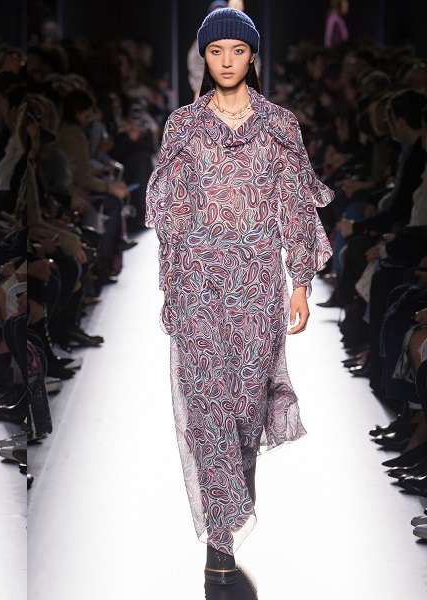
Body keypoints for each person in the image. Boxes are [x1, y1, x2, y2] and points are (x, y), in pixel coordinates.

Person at [145, 8, 333, 586]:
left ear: (253, 57)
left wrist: (300, 282)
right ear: (204, 57)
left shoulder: (279, 125)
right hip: (198, 282)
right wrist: (173, 281)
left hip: (256, 285)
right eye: (216, 51)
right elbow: (168, 213)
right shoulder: (183, 126)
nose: (226, 61)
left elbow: (296, 206)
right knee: (208, 408)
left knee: (248, 409)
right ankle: (220, 543)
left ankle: (235, 497)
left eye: (238, 51)